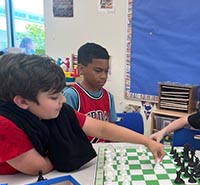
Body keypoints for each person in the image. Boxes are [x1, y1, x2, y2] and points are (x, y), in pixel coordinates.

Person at [0, 53, 165, 176]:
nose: (63, 100)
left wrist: (146, 141)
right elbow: (39, 167)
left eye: (61, 93)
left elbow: (101, 129)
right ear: (22, 102)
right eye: (54, 97)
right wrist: (64, 152)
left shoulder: (58, 111)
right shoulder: (5, 124)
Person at [63, 42, 117, 143]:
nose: (103, 76)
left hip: (105, 153)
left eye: (106, 71)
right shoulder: (72, 95)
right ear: (81, 69)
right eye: (98, 70)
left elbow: (112, 130)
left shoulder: (109, 97)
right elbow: (66, 133)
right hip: (81, 154)